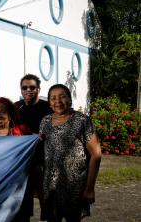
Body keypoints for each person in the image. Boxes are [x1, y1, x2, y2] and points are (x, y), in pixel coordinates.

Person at [40, 84, 101, 222]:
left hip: (75, 187)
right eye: (53, 98)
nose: (58, 101)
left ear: (70, 99)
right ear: (49, 103)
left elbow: (96, 155)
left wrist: (90, 188)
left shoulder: (82, 120)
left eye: (62, 97)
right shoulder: (45, 122)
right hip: (50, 187)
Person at [14, 74, 52, 221]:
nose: (28, 90)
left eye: (32, 87)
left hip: (43, 161)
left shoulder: (48, 108)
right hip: (23, 162)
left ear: (38, 89)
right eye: (25, 87)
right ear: (21, 90)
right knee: (23, 203)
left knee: (47, 203)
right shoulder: (16, 107)